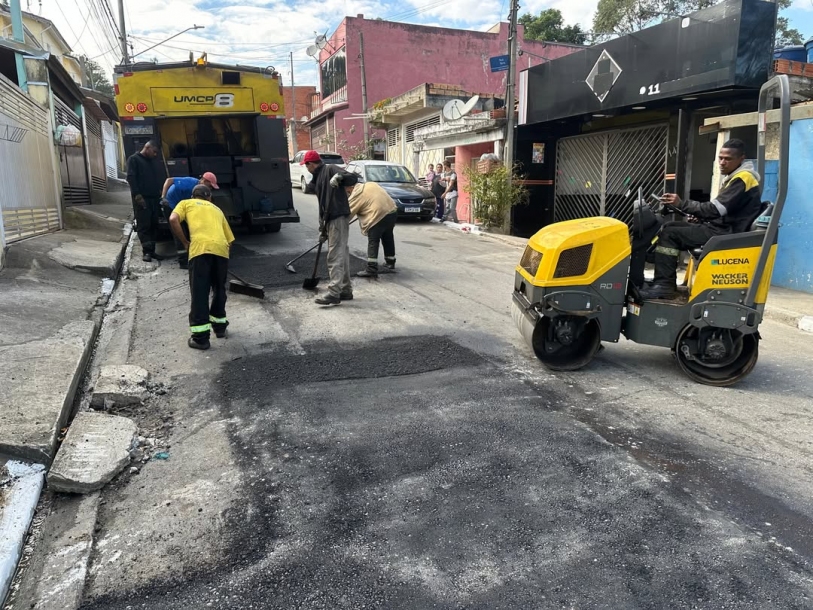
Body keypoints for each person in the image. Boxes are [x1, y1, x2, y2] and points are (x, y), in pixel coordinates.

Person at [638, 139, 762, 299]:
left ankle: (664, 286)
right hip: (722, 227)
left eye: (728, 159)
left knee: (670, 235)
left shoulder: (743, 178)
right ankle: (662, 278)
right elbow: (723, 211)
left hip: (725, 232)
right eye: (721, 158)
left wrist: (682, 204)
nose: (723, 162)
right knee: (669, 227)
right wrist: (701, 218)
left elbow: (716, 209)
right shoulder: (736, 177)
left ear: (741, 159)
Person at [168, 185, 235, 350]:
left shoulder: (186, 203)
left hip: (200, 251)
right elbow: (230, 240)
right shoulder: (217, 209)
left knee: (200, 293)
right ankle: (220, 328)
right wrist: (221, 258)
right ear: (209, 198)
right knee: (219, 289)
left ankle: (201, 339)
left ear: (193, 196)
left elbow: (173, 219)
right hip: (221, 250)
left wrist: (185, 242)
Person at [302, 150, 356, 306]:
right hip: (329, 219)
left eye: (306, 166)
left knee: (334, 256)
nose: (306, 169)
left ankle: (334, 293)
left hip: (338, 217)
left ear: (310, 164)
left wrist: (341, 177)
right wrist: (323, 229)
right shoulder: (317, 176)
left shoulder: (331, 169)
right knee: (341, 255)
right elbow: (320, 200)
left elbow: (353, 178)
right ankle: (345, 290)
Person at [160, 172, 220, 269]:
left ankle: (193, 256)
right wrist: (163, 197)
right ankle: (183, 261)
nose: (210, 189)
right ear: (204, 181)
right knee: (179, 232)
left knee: (190, 230)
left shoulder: (201, 191)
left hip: (182, 206)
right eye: (210, 186)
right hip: (170, 205)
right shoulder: (189, 183)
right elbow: (169, 180)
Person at [347, 180, 398, 278]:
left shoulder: (357, 194)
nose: (347, 193)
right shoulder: (370, 184)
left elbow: (347, 214)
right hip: (392, 212)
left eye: (347, 190)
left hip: (378, 216)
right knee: (388, 237)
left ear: (351, 187)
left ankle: (371, 269)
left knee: (373, 241)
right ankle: (390, 262)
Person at [126, 141, 166, 262]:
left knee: (154, 224)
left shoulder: (152, 161)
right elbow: (131, 178)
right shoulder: (134, 159)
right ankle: (147, 252)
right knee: (144, 225)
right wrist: (138, 196)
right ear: (147, 148)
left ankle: (152, 251)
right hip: (142, 198)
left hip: (154, 198)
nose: (155, 154)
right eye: (154, 151)